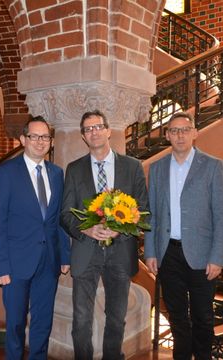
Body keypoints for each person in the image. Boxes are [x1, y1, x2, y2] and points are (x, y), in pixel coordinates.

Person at [61, 110, 149, 360]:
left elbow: (143, 211)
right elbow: (65, 214)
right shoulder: (74, 169)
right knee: (81, 320)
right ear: (83, 137)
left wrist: (119, 228)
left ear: (109, 131)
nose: (94, 132)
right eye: (88, 129)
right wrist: (86, 228)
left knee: (116, 318)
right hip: (85, 251)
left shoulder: (132, 167)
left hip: (120, 252)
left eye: (98, 127)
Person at [144, 112, 223, 360]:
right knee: (177, 316)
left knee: (203, 317)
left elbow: (221, 216)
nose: (179, 135)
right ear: (167, 135)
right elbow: (153, 215)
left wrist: (217, 257)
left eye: (184, 129)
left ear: (195, 133)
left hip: (202, 256)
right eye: (174, 130)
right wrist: (150, 251)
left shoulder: (212, 165)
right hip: (168, 254)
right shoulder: (157, 168)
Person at [0, 116, 70, 360]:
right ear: (23, 139)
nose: (40, 141)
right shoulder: (6, 173)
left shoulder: (56, 173)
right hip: (15, 264)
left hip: (49, 262)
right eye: (34, 136)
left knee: (43, 322)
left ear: (51, 142)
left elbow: (58, 219)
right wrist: (0, 266)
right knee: (15, 323)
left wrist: (64, 255)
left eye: (45, 137)